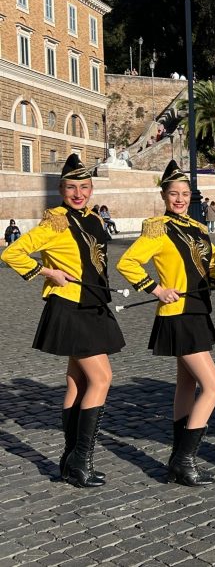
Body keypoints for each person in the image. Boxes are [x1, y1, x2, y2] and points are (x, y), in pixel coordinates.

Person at [1, 154, 125, 488]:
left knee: (78, 382)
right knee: (102, 379)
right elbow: (11, 253)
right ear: (60, 190)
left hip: (93, 304)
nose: (78, 193)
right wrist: (48, 272)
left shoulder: (94, 219)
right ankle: (82, 460)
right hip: (71, 307)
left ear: (92, 189)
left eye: (84, 187)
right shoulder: (54, 223)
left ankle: (69, 460)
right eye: (71, 187)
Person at [116, 160, 215, 486]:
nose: (179, 199)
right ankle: (185, 459)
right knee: (214, 386)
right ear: (163, 195)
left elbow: (213, 260)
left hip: (198, 311)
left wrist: (213, 278)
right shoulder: (158, 228)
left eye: (184, 194)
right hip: (178, 314)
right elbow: (128, 262)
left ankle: (178, 458)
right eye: (173, 193)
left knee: (186, 385)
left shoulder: (199, 227)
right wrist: (156, 289)